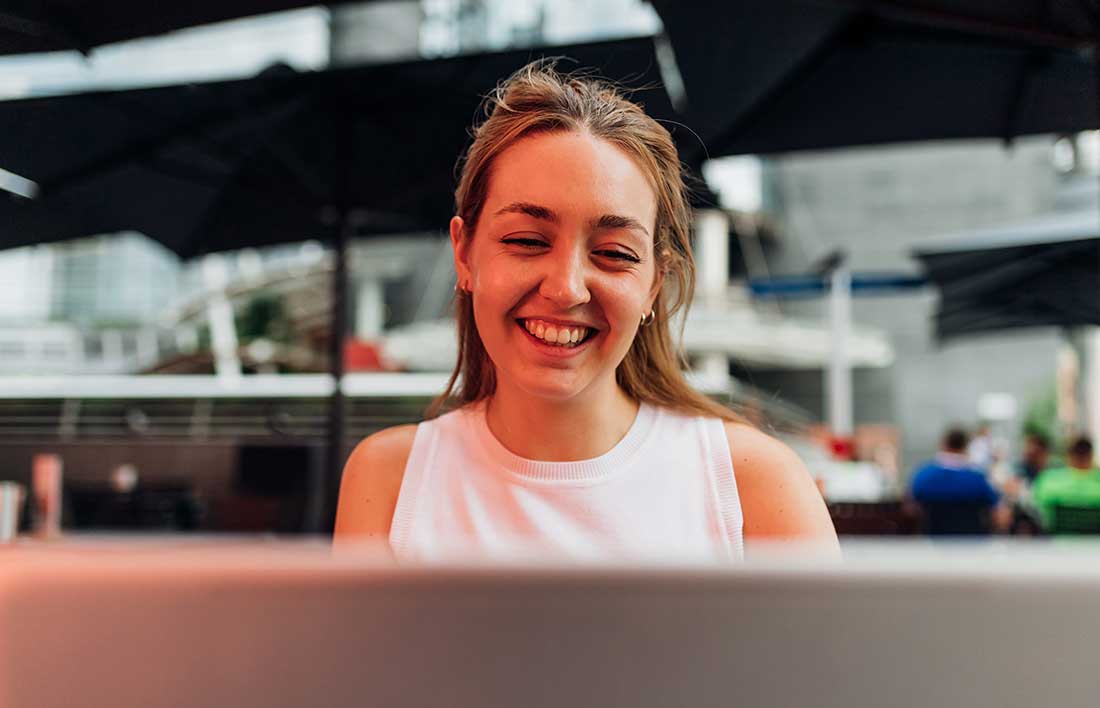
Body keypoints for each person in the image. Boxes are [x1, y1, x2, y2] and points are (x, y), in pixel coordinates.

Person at [334, 62, 837, 559]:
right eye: (527, 240)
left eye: (615, 253)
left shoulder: (754, 485)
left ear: (654, 284)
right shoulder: (389, 480)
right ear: (464, 254)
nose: (567, 288)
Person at [908, 427, 1001, 536]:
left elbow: (911, 508)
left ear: (943, 444)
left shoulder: (924, 476)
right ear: (966, 446)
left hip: (933, 542)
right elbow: (997, 510)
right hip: (972, 544)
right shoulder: (978, 479)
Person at [1033, 436, 1100, 532]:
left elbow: (1038, 509)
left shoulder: (1048, 481)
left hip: (1057, 544)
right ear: (1091, 456)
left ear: (1069, 456)